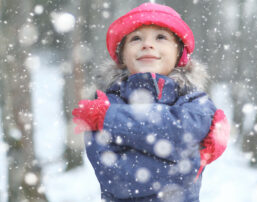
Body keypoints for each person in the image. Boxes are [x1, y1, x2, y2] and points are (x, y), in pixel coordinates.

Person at [72, 2, 230, 202]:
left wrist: (109, 119)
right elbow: (117, 178)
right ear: (121, 56)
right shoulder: (105, 102)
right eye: (136, 38)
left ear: (179, 53)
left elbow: (182, 130)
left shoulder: (194, 100)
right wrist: (191, 163)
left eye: (161, 37)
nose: (148, 44)